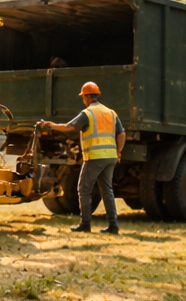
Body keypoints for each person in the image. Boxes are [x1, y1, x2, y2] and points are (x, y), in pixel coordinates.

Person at [37, 81, 123, 234]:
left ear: (88, 97)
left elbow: (69, 127)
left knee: (83, 188)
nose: (83, 100)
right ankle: (113, 226)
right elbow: (121, 134)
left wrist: (51, 125)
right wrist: (119, 152)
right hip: (110, 156)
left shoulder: (88, 113)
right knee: (107, 190)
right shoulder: (111, 113)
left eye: (83, 97)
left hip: (95, 156)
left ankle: (85, 224)